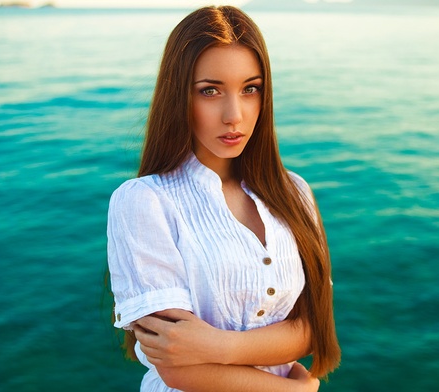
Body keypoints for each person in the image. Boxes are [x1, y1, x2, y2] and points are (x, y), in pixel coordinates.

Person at [107, 6, 340, 391]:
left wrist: (219, 345)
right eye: (210, 91)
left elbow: (313, 329)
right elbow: (177, 365)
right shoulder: (144, 202)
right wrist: (292, 389)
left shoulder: (295, 192)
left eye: (250, 89)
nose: (235, 115)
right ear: (178, 95)